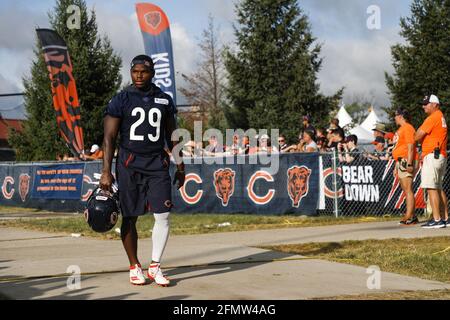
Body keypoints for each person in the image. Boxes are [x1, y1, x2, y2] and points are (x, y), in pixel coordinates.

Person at [100, 55, 185, 286]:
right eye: (135, 71)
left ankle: (155, 265)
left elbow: (172, 136)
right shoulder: (121, 99)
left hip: (157, 163)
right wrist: (106, 170)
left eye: (143, 72)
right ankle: (134, 264)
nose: (138, 75)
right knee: (130, 216)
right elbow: (109, 137)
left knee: (163, 215)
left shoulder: (164, 100)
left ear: (152, 73)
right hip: (129, 164)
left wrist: (180, 165)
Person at [415, 95, 448, 228]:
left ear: (434, 104)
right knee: (438, 188)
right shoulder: (440, 116)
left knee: (431, 187)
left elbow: (417, 135)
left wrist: (418, 133)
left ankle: (437, 219)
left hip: (432, 155)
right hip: (439, 155)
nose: (424, 106)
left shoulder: (433, 117)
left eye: (426, 104)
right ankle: (445, 217)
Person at [392, 109, 419, 225]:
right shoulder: (401, 129)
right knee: (405, 188)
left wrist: (409, 163)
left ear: (401, 116)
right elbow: (398, 147)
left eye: (396, 115)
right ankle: (412, 216)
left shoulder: (408, 127)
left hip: (405, 161)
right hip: (400, 161)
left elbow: (410, 147)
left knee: (408, 189)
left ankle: (409, 216)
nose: (394, 118)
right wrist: (395, 166)